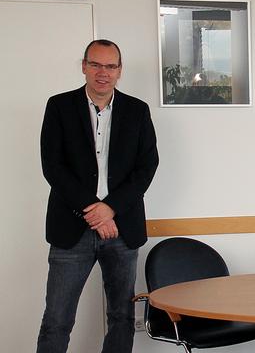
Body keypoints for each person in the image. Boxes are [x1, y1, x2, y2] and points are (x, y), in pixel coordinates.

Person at [37, 39, 159, 353]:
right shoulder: (59, 106)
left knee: (121, 316)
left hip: (122, 229)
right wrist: (94, 210)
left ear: (119, 71)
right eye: (95, 64)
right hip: (71, 229)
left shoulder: (137, 110)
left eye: (110, 66)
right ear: (84, 66)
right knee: (57, 320)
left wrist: (111, 209)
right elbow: (53, 166)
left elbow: (147, 166)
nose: (102, 73)